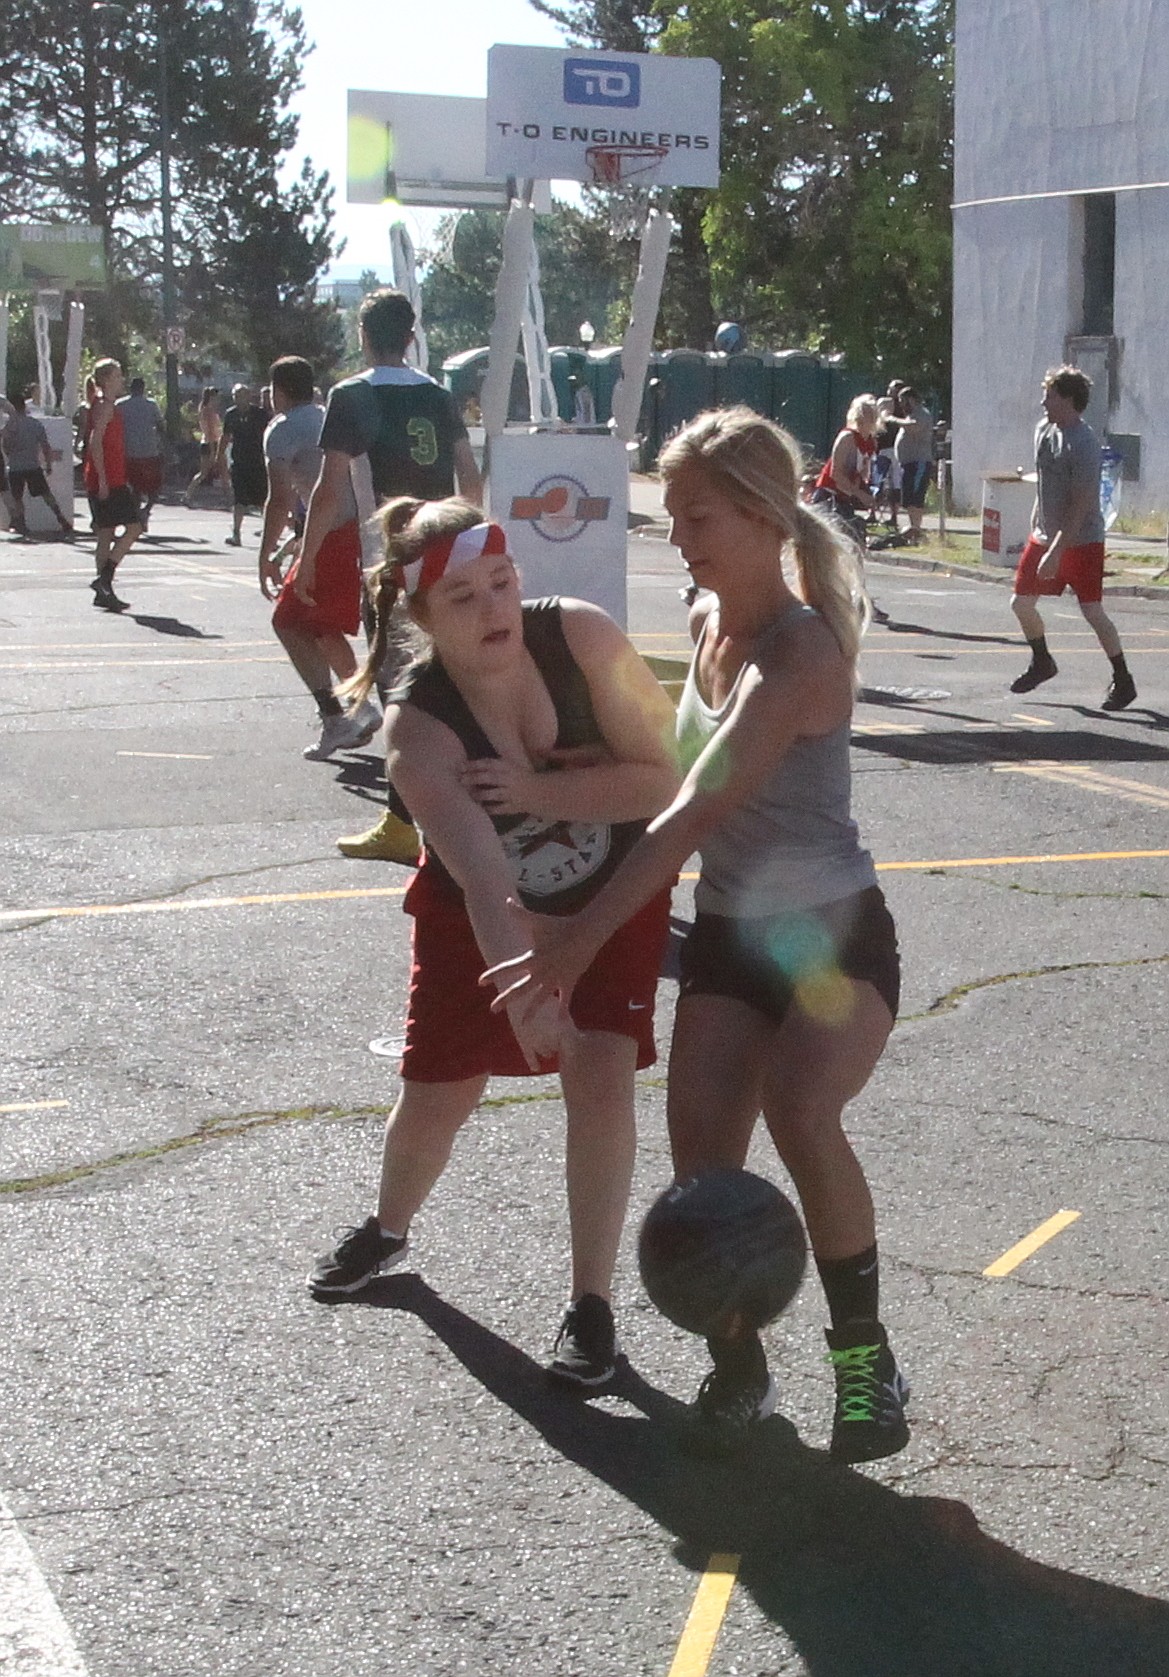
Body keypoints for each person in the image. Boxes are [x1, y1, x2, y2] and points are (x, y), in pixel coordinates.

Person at [486, 407, 910, 1464]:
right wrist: (578, 776)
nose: (677, 537)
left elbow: (694, 813)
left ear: (764, 514)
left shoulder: (801, 649)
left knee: (801, 1113)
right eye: (669, 517)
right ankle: (740, 1367)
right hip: (728, 934)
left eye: (696, 516)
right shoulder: (701, 620)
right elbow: (678, 768)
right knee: (701, 1168)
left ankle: (866, 1365)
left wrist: (574, 945)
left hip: (827, 934)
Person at [307, 496, 681, 1388]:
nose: (494, 610)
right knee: (440, 1087)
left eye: (502, 584)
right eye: (464, 597)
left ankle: (590, 1305)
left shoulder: (584, 639)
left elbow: (669, 778)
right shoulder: (417, 732)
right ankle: (389, 1227)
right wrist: (526, 987)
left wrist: (539, 791)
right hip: (487, 914)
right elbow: (483, 877)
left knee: (599, 1075)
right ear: (422, 618)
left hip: (612, 895)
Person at [300, 287, 483, 862]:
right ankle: (457, 800)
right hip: (442, 544)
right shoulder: (437, 394)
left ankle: (406, 822)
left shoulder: (351, 395)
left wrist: (306, 559)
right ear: (411, 337)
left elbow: (330, 490)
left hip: (388, 554)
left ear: (362, 335)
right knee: (445, 676)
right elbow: (470, 480)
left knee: (400, 686)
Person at [258, 354, 381, 760]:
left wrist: (265, 554)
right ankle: (359, 706)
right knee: (319, 623)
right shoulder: (330, 416)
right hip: (354, 530)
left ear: (278, 391)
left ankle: (336, 716)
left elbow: (278, 499)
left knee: (287, 620)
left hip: (330, 534)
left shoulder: (282, 429)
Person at [1009, 365, 1137, 711]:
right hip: (1045, 535)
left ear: (1068, 399)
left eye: (1049, 396)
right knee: (1021, 603)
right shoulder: (1043, 431)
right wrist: (1037, 519)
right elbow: (1047, 479)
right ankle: (1042, 662)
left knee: (1092, 610)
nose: (1043, 403)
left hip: (1081, 540)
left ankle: (1123, 679)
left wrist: (1056, 551)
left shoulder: (1085, 443)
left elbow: (1081, 504)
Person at [812, 395, 888, 623]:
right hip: (829, 498)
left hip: (846, 499)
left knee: (855, 549)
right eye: (864, 415)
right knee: (837, 550)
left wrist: (870, 492)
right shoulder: (847, 438)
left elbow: (862, 474)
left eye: (871, 415)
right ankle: (835, 600)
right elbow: (835, 474)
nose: (867, 420)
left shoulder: (869, 442)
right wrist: (860, 494)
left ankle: (857, 601)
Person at [83, 359, 145, 610]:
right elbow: (94, 443)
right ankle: (105, 577)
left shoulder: (105, 406)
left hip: (110, 476)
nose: (121, 380)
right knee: (134, 527)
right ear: (107, 379)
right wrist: (104, 481)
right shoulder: (104, 407)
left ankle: (104, 590)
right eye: (118, 376)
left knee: (106, 533)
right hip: (108, 479)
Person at [1, 392, 73, 536]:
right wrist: (48, 464)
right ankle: (60, 517)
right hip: (33, 465)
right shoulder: (35, 424)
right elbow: (45, 446)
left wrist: (9, 455)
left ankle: (21, 523)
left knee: (17, 497)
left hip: (15, 466)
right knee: (46, 494)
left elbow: (6, 446)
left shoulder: (9, 427)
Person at [216, 384, 268, 546]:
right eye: (236, 395)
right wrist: (219, 457)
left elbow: (268, 435)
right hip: (239, 463)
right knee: (239, 500)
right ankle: (236, 533)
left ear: (249, 396)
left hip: (258, 463)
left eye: (241, 395)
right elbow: (225, 437)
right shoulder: (231, 415)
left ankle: (269, 536)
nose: (238, 399)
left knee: (262, 501)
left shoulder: (260, 414)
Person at [116, 377, 165, 526]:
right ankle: (145, 511)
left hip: (129, 451)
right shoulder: (151, 405)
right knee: (155, 486)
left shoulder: (121, 405)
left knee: (134, 486)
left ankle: (136, 516)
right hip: (149, 451)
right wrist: (164, 444)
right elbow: (161, 426)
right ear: (143, 389)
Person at [892, 386, 934, 543]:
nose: (902, 405)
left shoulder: (921, 414)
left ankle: (917, 529)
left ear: (911, 399)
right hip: (908, 463)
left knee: (916, 496)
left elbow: (914, 427)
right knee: (908, 497)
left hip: (919, 462)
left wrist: (892, 419)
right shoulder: (910, 416)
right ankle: (913, 528)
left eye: (903, 401)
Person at [185, 387, 224, 501]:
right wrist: (213, 451)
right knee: (205, 473)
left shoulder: (208, 411)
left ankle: (231, 498)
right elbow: (210, 432)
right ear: (212, 397)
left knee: (222, 472)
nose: (219, 400)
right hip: (210, 444)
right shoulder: (208, 411)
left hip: (211, 442)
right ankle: (188, 494)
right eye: (217, 397)